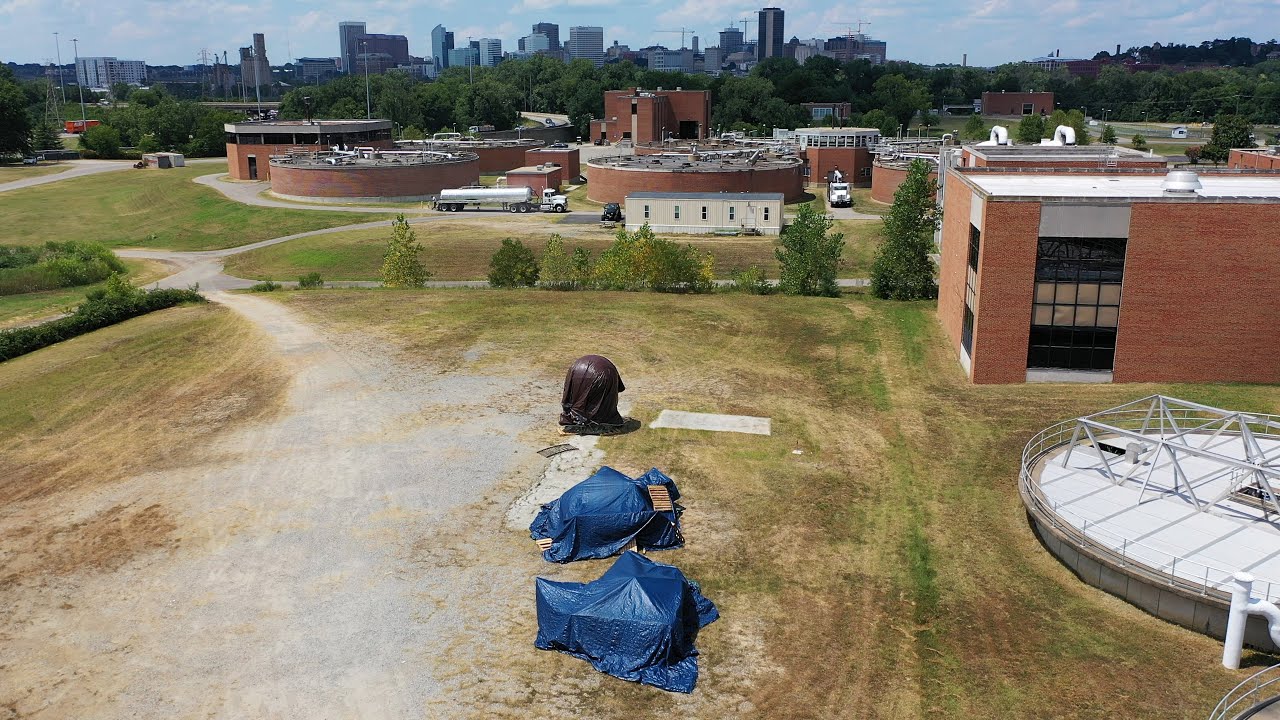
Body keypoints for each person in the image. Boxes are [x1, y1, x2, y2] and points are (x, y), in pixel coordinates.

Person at [559, 355, 626, 434]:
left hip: (579, 371)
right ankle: (596, 421)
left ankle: (581, 420)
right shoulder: (609, 369)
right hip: (603, 375)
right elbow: (618, 389)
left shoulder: (576, 367)